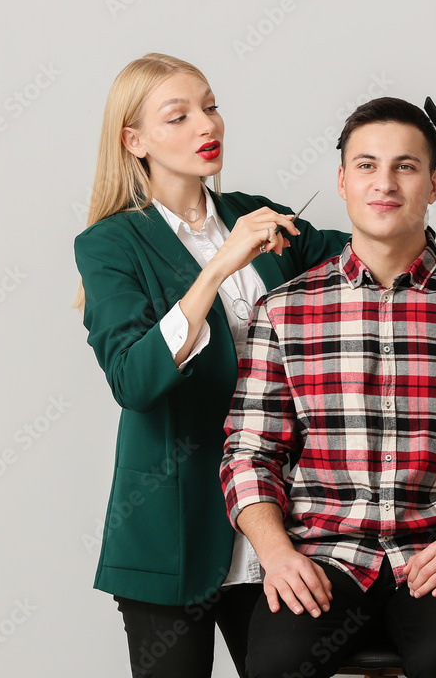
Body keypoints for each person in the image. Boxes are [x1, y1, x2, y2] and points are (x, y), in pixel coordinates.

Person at [220, 97, 436, 678]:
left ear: (434, 184)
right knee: (275, 663)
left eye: (405, 166)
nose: (384, 183)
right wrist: (276, 553)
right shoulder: (285, 310)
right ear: (341, 181)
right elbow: (249, 452)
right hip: (323, 554)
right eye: (366, 165)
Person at [73, 53, 348, 678]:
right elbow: (134, 382)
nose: (207, 125)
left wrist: (403, 180)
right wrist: (218, 266)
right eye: (180, 115)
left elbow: (377, 254)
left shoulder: (263, 216)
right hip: (169, 527)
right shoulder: (109, 244)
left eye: (211, 105)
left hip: (283, 523)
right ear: (134, 140)